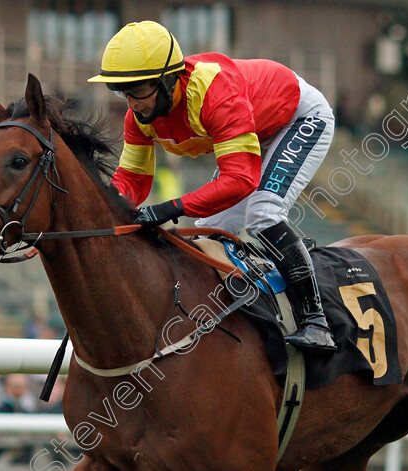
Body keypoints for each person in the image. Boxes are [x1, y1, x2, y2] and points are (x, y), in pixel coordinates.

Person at [88, 21, 336, 351]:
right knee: (207, 235)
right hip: (253, 131)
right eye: (123, 91)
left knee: (263, 213)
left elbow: (241, 179)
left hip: (297, 118)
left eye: (138, 89)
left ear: (167, 79)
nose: (131, 103)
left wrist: (171, 208)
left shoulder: (214, 92)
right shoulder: (139, 118)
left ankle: (315, 321)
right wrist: (91, 216)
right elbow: (131, 183)